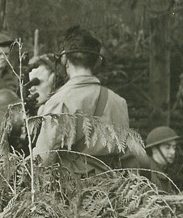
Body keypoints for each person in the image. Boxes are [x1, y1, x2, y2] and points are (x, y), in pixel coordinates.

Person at [31, 27, 130, 167]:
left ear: (64, 59)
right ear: (97, 62)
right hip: (114, 185)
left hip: (71, 186)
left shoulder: (60, 101)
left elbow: (42, 159)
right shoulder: (119, 102)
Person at [138, 125, 183, 190]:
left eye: (174, 147)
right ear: (154, 149)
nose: (173, 152)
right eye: (167, 147)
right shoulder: (148, 173)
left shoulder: (162, 170)